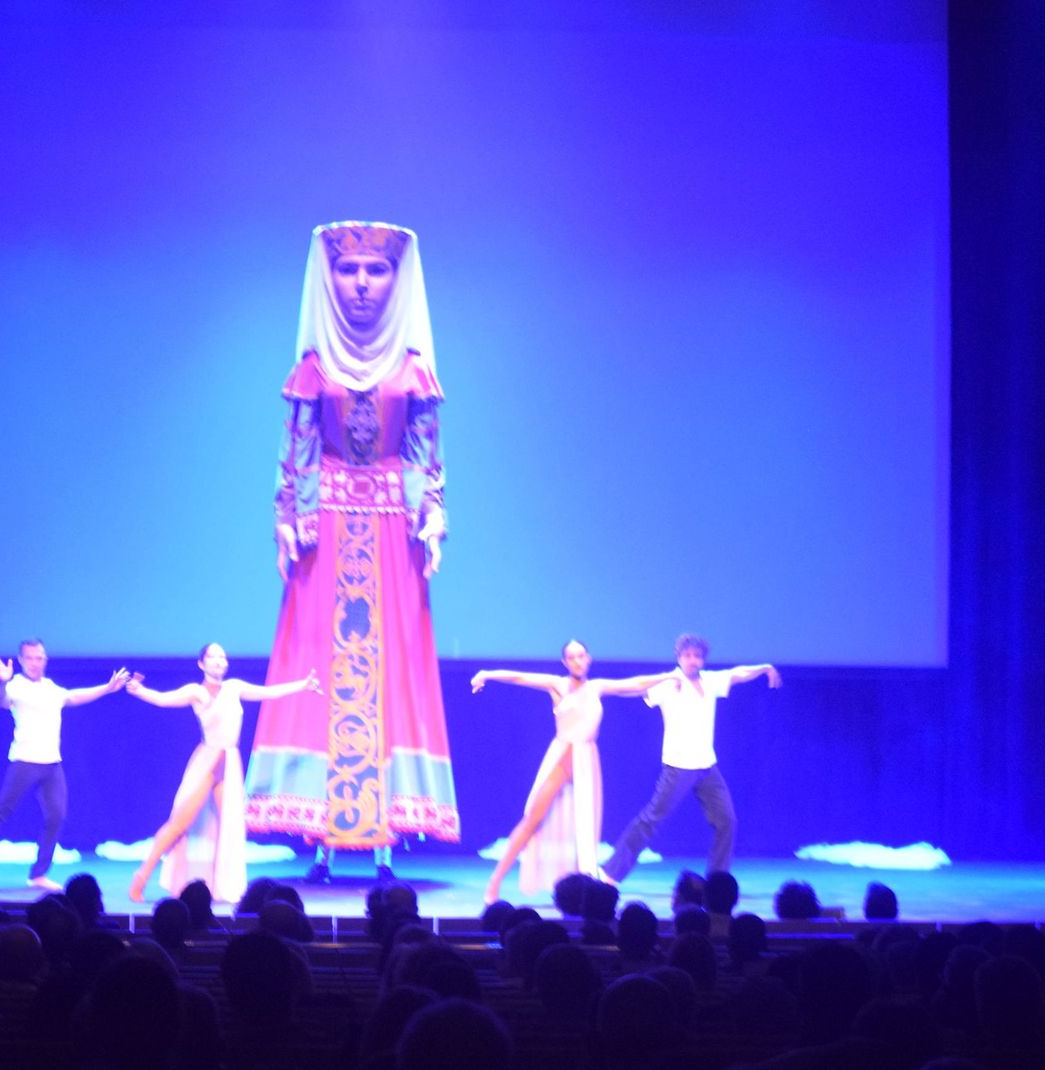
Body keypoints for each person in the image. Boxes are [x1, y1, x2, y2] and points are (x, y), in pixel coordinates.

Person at [245, 221, 457, 882]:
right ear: (328, 277)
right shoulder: (314, 366)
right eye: (349, 270)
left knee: (392, 668)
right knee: (321, 667)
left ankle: (388, 836)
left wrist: (432, 514)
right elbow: (297, 447)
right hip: (328, 529)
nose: (362, 284)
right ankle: (323, 839)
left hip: (393, 528)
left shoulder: (412, 367)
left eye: (376, 270)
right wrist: (288, 514)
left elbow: (426, 450)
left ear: (398, 279)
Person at [471, 641, 678, 903]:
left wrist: (670, 676)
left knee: (585, 829)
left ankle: (584, 893)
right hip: (562, 756)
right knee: (532, 820)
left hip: (587, 759)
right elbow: (519, 676)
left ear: (588, 658)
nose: (577, 661)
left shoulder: (597, 687)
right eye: (572, 657)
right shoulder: (558, 684)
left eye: (581, 656)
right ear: (565, 662)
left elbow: (635, 684)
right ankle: (494, 881)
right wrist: (486, 674)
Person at [123, 643, 321, 903]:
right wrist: (140, 691)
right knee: (179, 824)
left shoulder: (234, 687)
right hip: (207, 760)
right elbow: (163, 699)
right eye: (212, 657)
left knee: (228, 829)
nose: (218, 660)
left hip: (229, 762)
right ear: (201, 664)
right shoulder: (196, 691)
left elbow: (268, 692)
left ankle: (221, 887)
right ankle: (140, 878)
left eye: (222, 656)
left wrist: (302, 685)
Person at [602, 634, 781, 882]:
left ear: (703, 659)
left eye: (697, 656)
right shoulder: (668, 683)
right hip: (678, 767)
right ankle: (611, 873)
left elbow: (738, 674)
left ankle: (718, 881)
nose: (693, 660)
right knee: (651, 819)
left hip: (707, 767)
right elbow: (635, 688)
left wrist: (764, 668)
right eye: (687, 656)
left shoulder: (710, 681)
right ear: (679, 657)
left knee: (727, 821)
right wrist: (602, 690)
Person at [0, 640, 128, 891]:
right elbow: (1, 701)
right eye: (31, 658)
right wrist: (3, 680)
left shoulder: (51, 688)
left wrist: (108, 688)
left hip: (52, 765)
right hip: (25, 761)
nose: (36, 663)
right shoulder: (15, 686)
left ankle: (38, 874)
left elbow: (73, 697)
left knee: (57, 816)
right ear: (22, 660)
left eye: (40, 658)